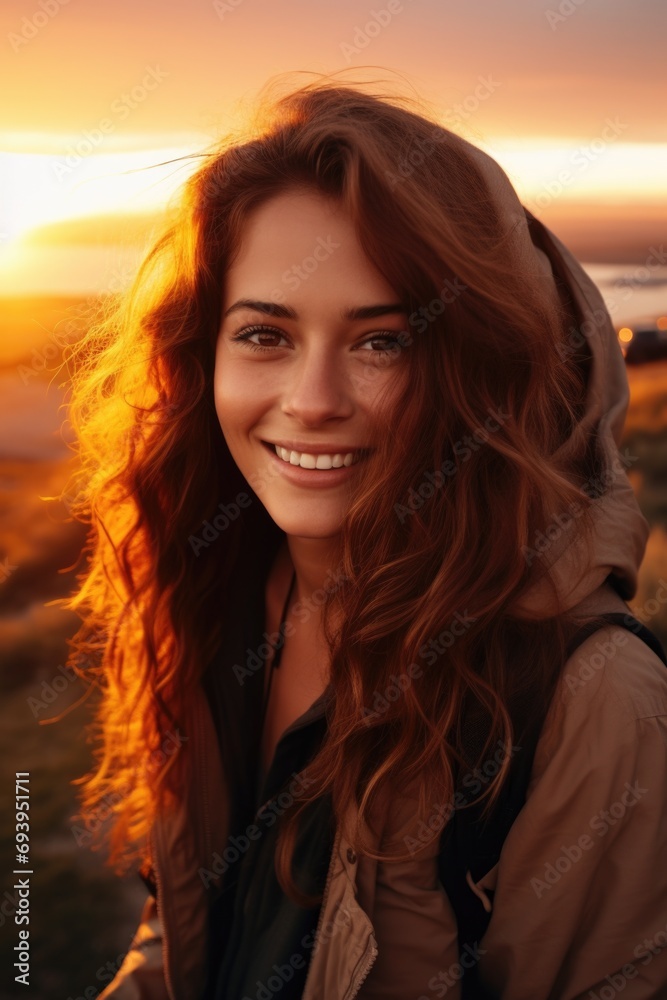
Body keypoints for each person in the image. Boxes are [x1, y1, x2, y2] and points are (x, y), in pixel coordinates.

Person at [62, 74, 667, 999]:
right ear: (200, 358)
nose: (311, 402)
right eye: (264, 335)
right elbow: (195, 933)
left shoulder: (593, 703)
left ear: (481, 370)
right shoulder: (216, 588)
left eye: (381, 342)